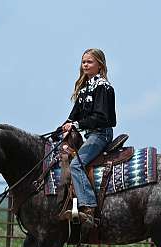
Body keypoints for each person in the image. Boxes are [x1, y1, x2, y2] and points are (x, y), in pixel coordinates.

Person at [60, 48, 116, 229]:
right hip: (89, 134)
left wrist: (75, 126)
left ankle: (89, 208)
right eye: (83, 61)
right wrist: (65, 127)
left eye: (89, 61)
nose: (85, 64)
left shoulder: (103, 87)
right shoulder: (84, 89)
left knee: (76, 164)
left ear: (100, 65)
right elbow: (73, 116)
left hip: (101, 134)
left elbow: (102, 117)